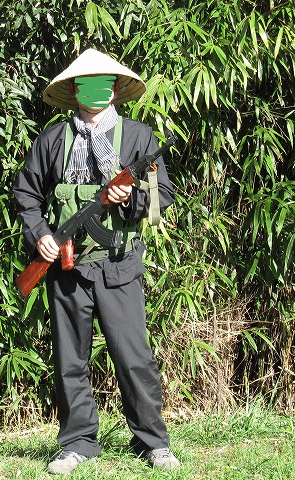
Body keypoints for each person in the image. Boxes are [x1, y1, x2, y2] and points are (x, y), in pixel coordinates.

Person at [13, 48, 180, 475]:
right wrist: (42, 236)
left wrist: (131, 199)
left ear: (115, 88)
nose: (96, 91)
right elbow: (27, 195)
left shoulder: (139, 138)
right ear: (74, 90)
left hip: (119, 264)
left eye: (103, 83)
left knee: (133, 357)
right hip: (67, 268)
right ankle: (78, 443)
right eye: (87, 84)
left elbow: (161, 198)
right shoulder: (51, 141)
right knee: (70, 360)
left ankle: (153, 442)